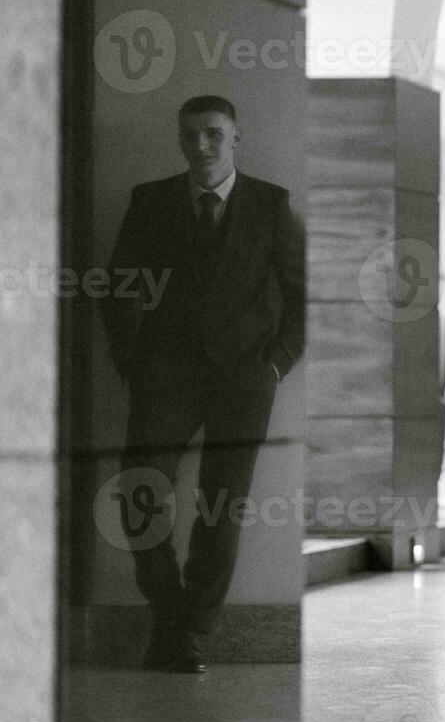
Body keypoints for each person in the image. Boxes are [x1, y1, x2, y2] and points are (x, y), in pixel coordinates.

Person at [101, 95, 304, 673]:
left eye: (213, 134)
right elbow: (117, 287)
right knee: (139, 493)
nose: (201, 146)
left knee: (222, 507)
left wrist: (277, 363)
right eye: (190, 135)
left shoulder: (270, 204)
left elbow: (302, 293)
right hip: (163, 376)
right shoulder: (151, 201)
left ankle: (193, 632)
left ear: (236, 138)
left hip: (245, 379)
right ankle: (170, 617)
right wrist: (130, 359)